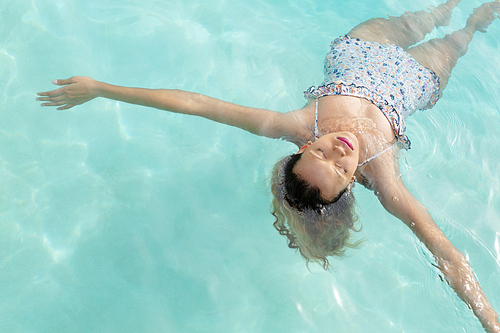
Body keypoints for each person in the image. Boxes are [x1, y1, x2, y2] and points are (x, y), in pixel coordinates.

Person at [37, 0, 500, 331]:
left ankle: (446, 5)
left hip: (362, 49)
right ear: (351, 187)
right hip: (415, 81)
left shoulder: (296, 123)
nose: (339, 151)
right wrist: (490, 321)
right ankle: (479, 18)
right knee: (459, 40)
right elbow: (445, 251)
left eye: (319, 153)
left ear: (301, 148)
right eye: (340, 170)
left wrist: (103, 87)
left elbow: (197, 104)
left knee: (421, 19)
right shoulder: (384, 176)